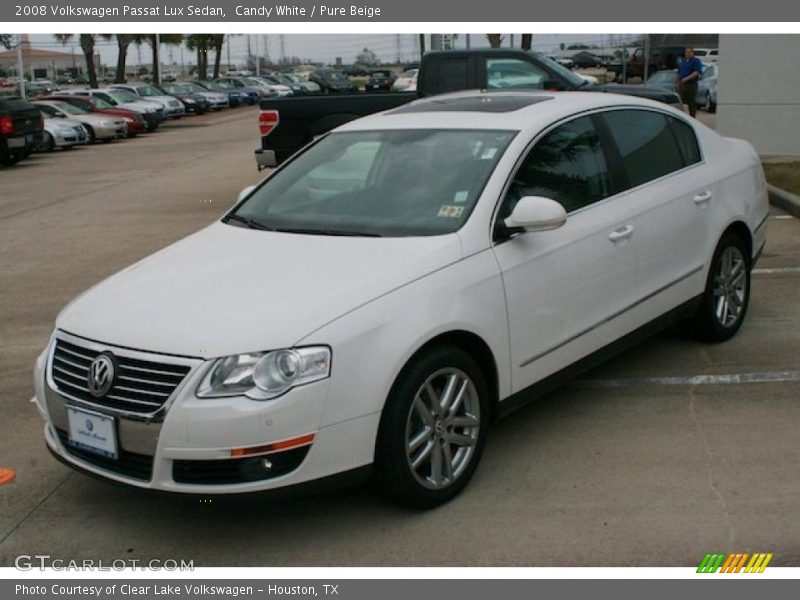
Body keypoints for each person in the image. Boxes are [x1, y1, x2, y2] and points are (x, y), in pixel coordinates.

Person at [678, 47, 704, 117]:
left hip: (691, 85)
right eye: (686, 52)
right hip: (682, 85)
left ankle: (692, 118)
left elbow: (696, 72)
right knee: (679, 102)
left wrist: (686, 79)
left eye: (689, 52)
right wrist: (677, 82)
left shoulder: (696, 61)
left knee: (691, 102)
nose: (688, 53)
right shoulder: (682, 62)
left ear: (693, 53)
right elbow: (679, 73)